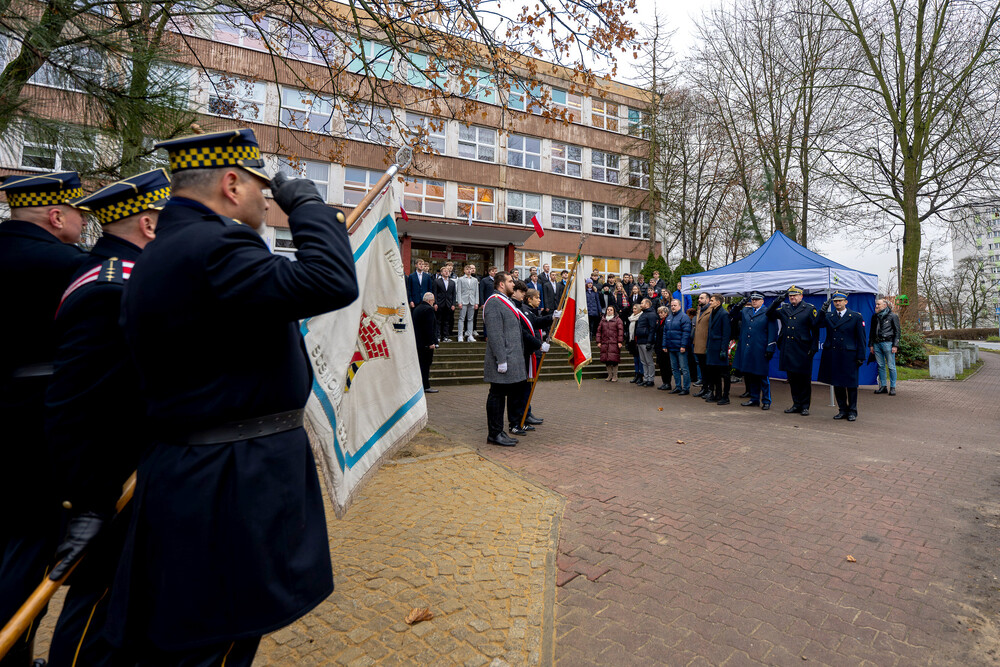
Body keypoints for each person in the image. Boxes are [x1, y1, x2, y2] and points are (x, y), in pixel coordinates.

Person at [105, 129, 358, 665]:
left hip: (195, 469)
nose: (268, 201)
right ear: (230, 183)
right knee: (217, 643)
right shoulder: (217, 245)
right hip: (229, 485)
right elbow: (331, 280)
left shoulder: (163, 250)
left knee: (196, 640)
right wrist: (307, 202)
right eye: (261, 189)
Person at [40, 170, 169, 667]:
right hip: (113, 485)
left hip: (125, 476)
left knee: (120, 602)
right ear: (149, 226)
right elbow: (75, 403)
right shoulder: (112, 287)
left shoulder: (113, 273)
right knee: (98, 606)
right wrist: (88, 500)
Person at [0, 171, 89, 667]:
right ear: (56, 216)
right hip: (33, 424)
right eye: (77, 211)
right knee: (30, 547)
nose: (80, 220)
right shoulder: (66, 265)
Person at [483, 271, 529, 447]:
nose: (513, 284)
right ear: (501, 284)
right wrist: (501, 359)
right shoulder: (494, 302)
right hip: (501, 359)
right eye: (510, 281)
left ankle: (499, 431)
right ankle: (494, 433)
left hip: (510, 357)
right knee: (496, 395)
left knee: (501, 396)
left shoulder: (506, 301)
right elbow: (495, 334)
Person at [767, 285, 821, 416]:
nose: (792, 297)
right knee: (792, 378)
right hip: (788, 347)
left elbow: (815, 329)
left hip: (803, 348)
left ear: (801, 296)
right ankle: (796, 404)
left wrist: (814, 346)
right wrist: (777, 301)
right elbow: (769, 314)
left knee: (804, 379)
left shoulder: (809, 309)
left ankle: (805, 406)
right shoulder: (784, 308)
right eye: (790, 296)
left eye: (795, 295)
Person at [817, 292, 868, 421]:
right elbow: (816, 324)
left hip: (849, 355)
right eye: (835, 301)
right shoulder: (829, 316)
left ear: (846, 302)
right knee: (837, 383)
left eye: (840, 301)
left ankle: (852, 411)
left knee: (851, 384)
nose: (837, 303)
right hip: (833, 354)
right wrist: (822, 310)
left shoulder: (855, 317)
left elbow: (861, 338)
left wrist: (861, 356)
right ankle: (842, 410)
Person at [508, 282, 546, 435]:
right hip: (524, 353)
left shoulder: (527, 311)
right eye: (521, 292)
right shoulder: (519, 309)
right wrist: (539, 344)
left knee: (525, 389)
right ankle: (518, 420)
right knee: (519, 391)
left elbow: (535, 323)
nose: (523, 295)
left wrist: (552, 317)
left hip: (531, 352)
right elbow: (525, 332)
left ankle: (523, 417)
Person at [731, 292, 777, 410]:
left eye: (757, 299)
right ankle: (754, 399)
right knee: (750, 375)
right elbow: (733, 314)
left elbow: (773, 331)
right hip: (748, 348)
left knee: (762, 377)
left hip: (760, 349)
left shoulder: (768, 312)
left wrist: (770, 347)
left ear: (762, 300)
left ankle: (766, 400)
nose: (754, 301)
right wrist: (739, 304)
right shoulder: (746, 311)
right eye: (752, 299)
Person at [704, 294, 732, 404]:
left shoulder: (724, 314)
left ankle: (726, 397)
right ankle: (717, 394)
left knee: (724, 374)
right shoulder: (713, 312)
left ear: (718, 302)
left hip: (719, 348)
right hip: (712, 348)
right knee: (714, 373)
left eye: (711, 300)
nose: (710, 302)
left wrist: (723, 350)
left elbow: (726, 334)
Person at [869, 298, 900, 395]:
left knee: (891, 366)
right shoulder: (875, 317)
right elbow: (872, 331)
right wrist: (871, 345)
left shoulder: (893, 316)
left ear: (885, 305)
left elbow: (897, 332)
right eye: (876, 304)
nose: (876, 306)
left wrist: (895, 345)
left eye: (878, 304)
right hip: (877, 343)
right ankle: (883, 386)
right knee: (880, 366)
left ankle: (893, 387)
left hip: (888, 343)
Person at [662, 299, 692, 395]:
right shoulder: (669, 317)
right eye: (672, 305)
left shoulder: (684, 317)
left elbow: (686, 333)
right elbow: (665, 333)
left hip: (680, 348)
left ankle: (686, 388)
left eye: (675, 305)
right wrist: (664, 345)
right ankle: (678, 386)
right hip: (671, 347)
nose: (673, 307)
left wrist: (683, 345)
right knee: (674, 368)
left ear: (680, 306)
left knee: (684, 368)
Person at [412, 292, 439, 393]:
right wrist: (431, 342)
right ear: (430, 300)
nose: (433, 303)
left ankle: (419, 385)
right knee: (426, 365)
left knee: (420, 364)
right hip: (425, 344)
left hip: (418, 342)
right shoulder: (428, 310)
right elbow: (429, 328)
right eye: (433, 301)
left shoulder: (417, 309)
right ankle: (426, 385)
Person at [691, 292, 712, 397]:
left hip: (706, 345)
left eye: (701, 298)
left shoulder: (711, 311)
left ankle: (709, 389)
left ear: (708, 300)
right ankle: (704, 388)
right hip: (698, 344)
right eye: (699, 297)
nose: (699, 299)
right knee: (703, 369)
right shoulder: (699, 310)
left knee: (708, 369)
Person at [634, 298, 658, 387]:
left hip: (646, 341)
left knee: (649, 361)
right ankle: (646, 378)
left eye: (642, 303)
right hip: (640, 340)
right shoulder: (643, 314)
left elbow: (652, 329)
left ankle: (650, 379)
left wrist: (649, 341)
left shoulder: (651, 314)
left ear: (647, 304)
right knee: (643, 361)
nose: (640, 304)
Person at [597, 305, 624, 381]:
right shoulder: (602, 320)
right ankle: (609, 375)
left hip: (614, 343)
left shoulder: (618, 320)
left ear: (614, 311)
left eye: (611, 310)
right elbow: (599, 332)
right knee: (606, 360)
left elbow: (620, 331)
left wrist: (620, 341)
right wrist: (598, 341)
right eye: (608, 310)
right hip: (605, 343)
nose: (609, 311)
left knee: (614, 360)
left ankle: (615, 376)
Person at [456, 263, 480, 342]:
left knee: (470, 319)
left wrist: (477, 302)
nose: (469, 270)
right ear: (464, 270)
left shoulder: (475, 280)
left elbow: (477, 292)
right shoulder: (460, 279)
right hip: (463, 300)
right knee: (461, 318)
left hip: (472, 301)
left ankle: (470, 335)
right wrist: (459, 301)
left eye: (470, 269)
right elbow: (459, 291)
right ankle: (460, 335)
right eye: (467, 269)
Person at [433, 264, 457, 341]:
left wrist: (453, 304)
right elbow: (435, 293)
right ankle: (438, 336)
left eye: (448, 271)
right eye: (445, 271)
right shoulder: (437, 281)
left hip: (449, 304)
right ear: (441, 272)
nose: (447, 272)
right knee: (438, 321)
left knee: (447, 321)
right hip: (440, 303)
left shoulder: (452, 283)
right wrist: (435, 303)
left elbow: (454, 294)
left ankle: (445, 336)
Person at [654, 306, 673, 390]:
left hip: (665, 347)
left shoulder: (668, 321)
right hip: (659, 346)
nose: (660, 314)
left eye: (662, 313)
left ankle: (668, 383)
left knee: (666, 366)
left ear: (666, 313)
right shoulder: (660, 322)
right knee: (661, 365)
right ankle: (664, 382)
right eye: (659, 313)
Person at [626, 303, 644, 383]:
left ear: (639, 309)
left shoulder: (641, 317)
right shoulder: (631, 318)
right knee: (635, 359)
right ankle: (636, 374)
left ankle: (641, 375)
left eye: (635, 309)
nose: (634, 310)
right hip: (632, 341)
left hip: (639, 341)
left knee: (640, 359)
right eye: (633, 309)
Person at [479, 266, 497, 335]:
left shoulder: (498, 281)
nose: (494, 272)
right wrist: (482, 303)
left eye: (495, 271)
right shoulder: (484, 280)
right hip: (487, 302)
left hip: (496, 302)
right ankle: (486, 334)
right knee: (487, 319)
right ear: (489, 272)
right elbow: (481, 292)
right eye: (492, 271)